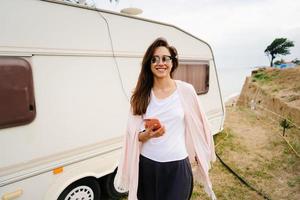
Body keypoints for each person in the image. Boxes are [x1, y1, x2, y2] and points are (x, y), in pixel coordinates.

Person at [115, 37, 217, 200]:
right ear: (149, 64)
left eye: (165, 58)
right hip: (147, 166)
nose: (160, 63)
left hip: (177, 165)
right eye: (154, 59)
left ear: (172, 62)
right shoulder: (141, 95)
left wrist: (201, 151)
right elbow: (133, 134)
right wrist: (147, 134)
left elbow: (200, 124)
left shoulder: (186, 91)